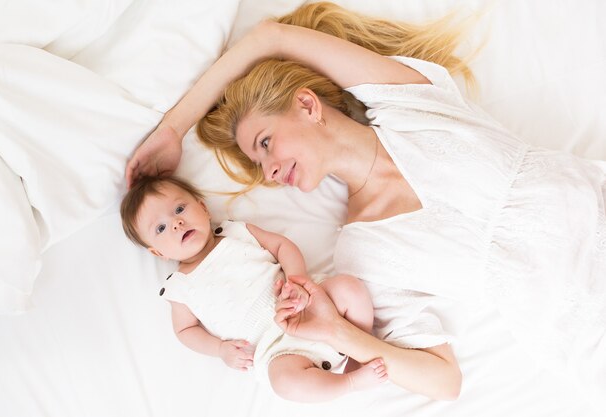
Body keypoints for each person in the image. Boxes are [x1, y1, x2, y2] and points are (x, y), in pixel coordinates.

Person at [126, 1, 605, 405]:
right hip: (585, 331)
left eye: (266, 143)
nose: (269, 171)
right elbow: (443, 381)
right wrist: (336, 331)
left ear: (308, 106)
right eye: (260, 162)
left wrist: (173, 128)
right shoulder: (364, 254)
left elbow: (269, 36)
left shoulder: (412, 105)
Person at [121, 175, 459, 402]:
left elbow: (282, 246)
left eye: (180, 209)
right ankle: (349, 383)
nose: (177, 222)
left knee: (348, 288)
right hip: (273, 351)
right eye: (162, 227)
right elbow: (185, 330)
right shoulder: (180, 287)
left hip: (307, 308)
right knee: (284, 382)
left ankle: (359, 347)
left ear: (203, 208)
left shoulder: (237, 232)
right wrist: (220, 349)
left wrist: (298, 281)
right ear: (158, 252)